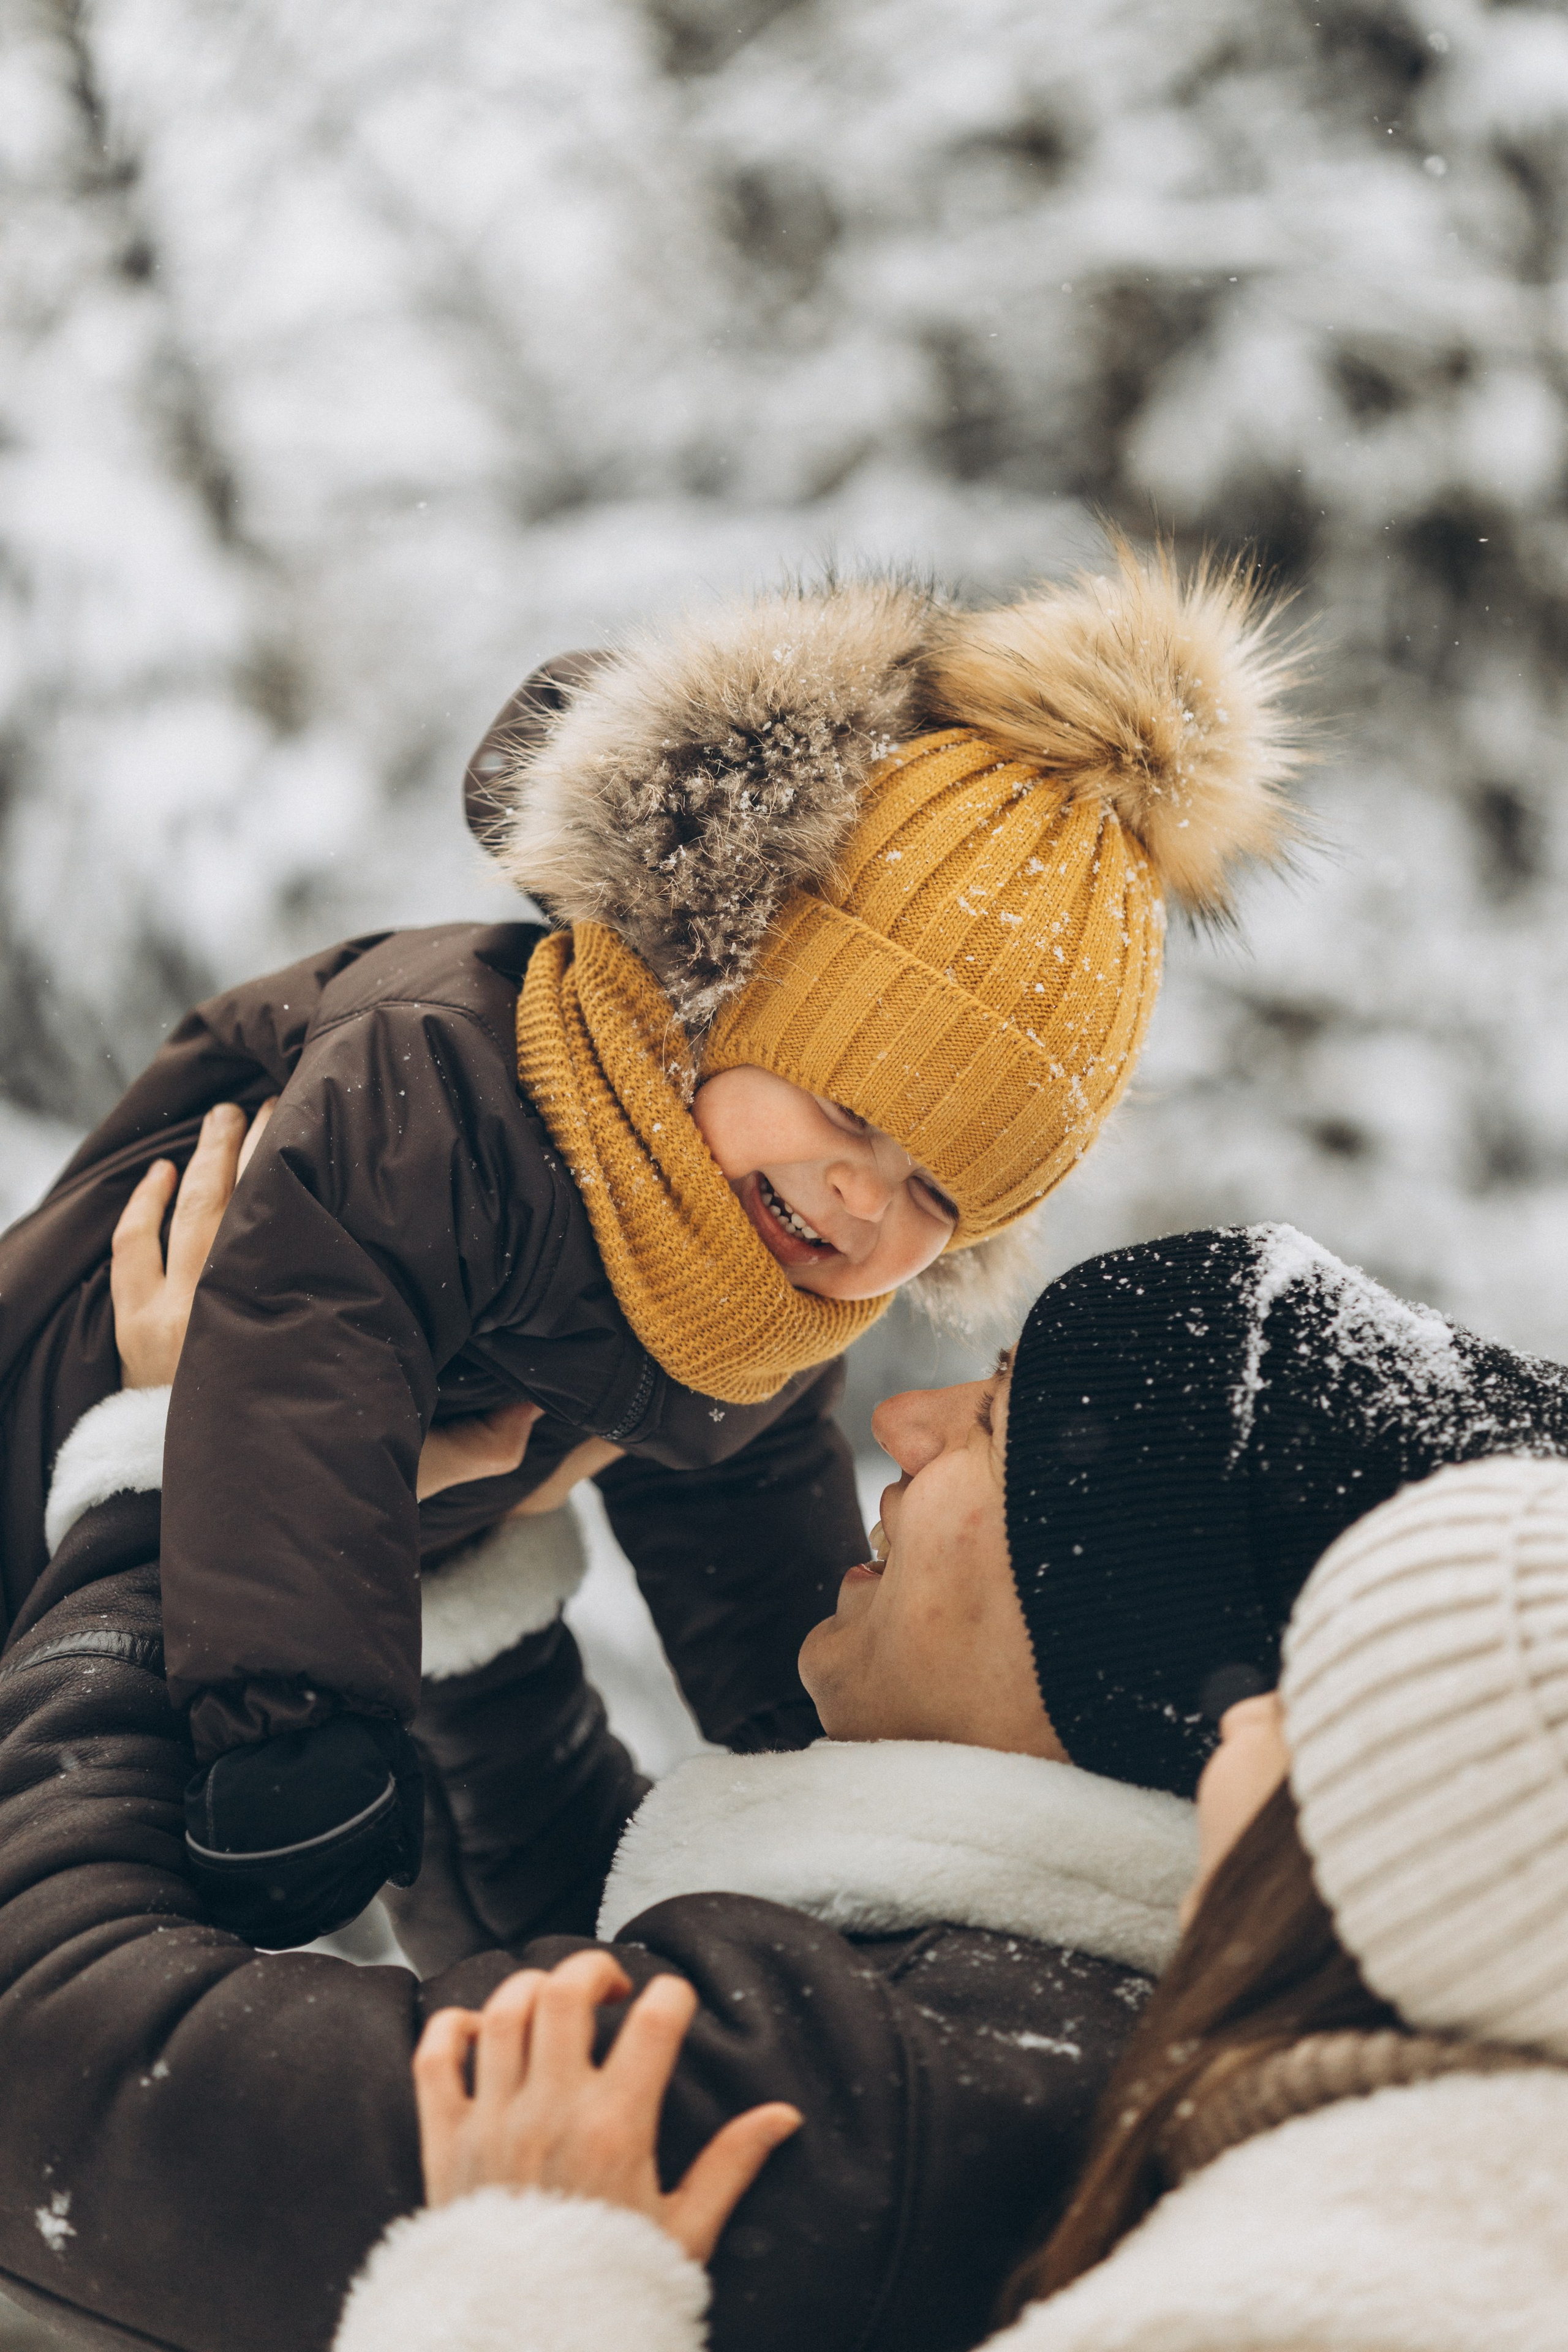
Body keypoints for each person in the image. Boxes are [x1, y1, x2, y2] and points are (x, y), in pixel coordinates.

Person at [0, 549, 1297, 1953]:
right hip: (65, 1431)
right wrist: (297, 1725)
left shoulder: (758, 1289)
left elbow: (749, 1527)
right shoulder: (448, 1086)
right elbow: (303, 1361)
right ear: (725, 1001)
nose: (861, 1200)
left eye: (934, 1193)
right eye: (848, 1114)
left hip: (203, 1570)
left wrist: (831, 1773)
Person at [341, 1453, 1568, 2352]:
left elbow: (215, 2100)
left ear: (1423, 1840)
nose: (1244, 1709)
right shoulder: (1389, 2201)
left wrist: (520, 2287)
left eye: (1324, 1691)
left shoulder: (1300, 2303)